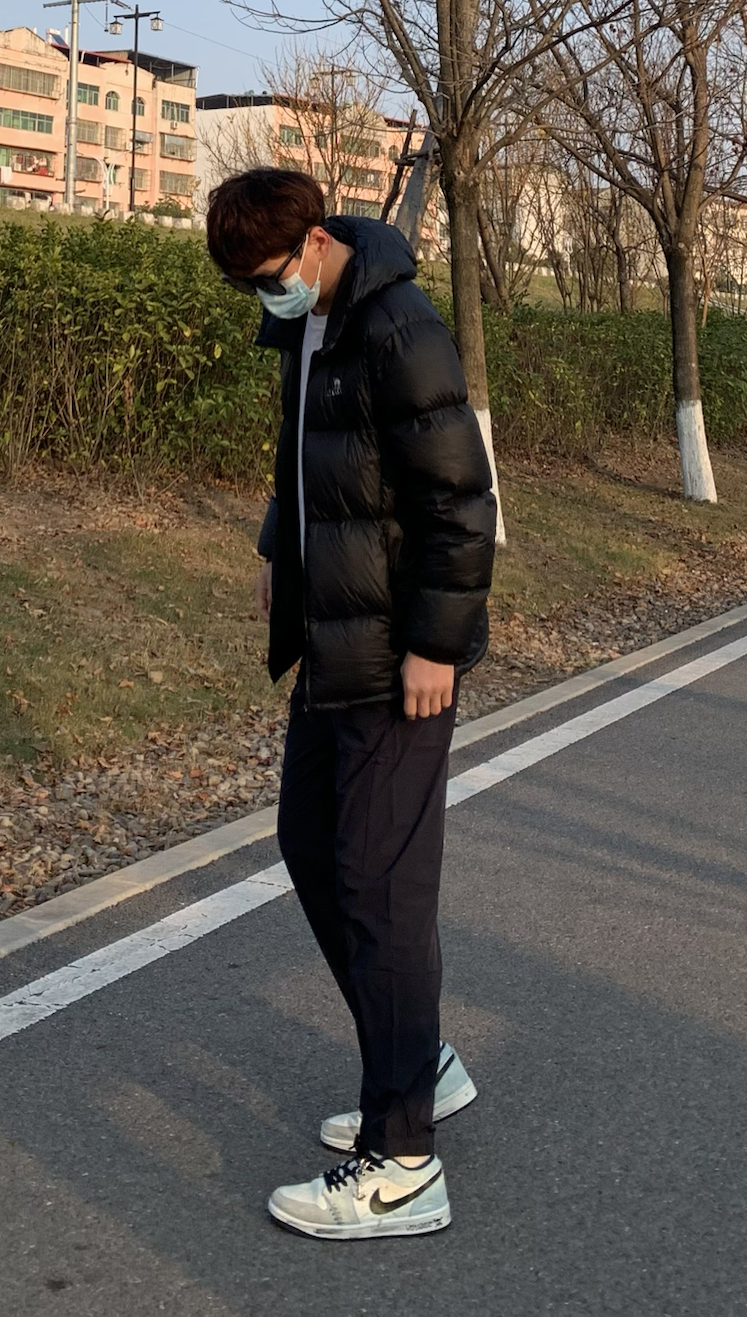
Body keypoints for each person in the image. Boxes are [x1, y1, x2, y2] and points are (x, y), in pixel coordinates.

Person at [206, 166, 497, 1240]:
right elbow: (305, 464)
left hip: (394, 661)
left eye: (269, 276)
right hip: (333, 646)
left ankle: (404, 1160)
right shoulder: (309, 325)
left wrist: (434, 646)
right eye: (249, 286)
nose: (264, 296)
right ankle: (419, 1062)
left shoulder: (398, 327)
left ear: (317, 241)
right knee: (311, 848)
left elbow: (459, 501)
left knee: (379, 891)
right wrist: (275, 551)